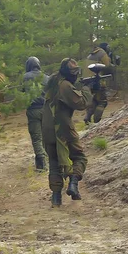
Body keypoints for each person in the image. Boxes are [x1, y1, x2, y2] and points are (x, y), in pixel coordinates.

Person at [42, 58, 92, 207]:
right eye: (74, 72)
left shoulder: (54, 82)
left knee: (54, 162)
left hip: (47, 129)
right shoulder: (64, 85)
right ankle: (73, 184)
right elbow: (81, 103)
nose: (75, 74)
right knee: (80, 157)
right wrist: (87, 89)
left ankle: (56, 199)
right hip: (62, 128)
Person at [23, 56, 49, 172]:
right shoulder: (46, 77)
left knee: (36, 138)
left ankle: (41, 163)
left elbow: (21, 92)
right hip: (46, 109)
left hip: (33, 110)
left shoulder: (25, 77)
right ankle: (46, 160)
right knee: (45, 137)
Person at [82, 42, 116, 124]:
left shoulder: (91, 54)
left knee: (95, 100)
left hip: (88, 81)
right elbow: (107, 67)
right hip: (97, 80)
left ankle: (87, 116)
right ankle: (97, 121)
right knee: (102, 101)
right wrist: (112, 62)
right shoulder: (102, 53)